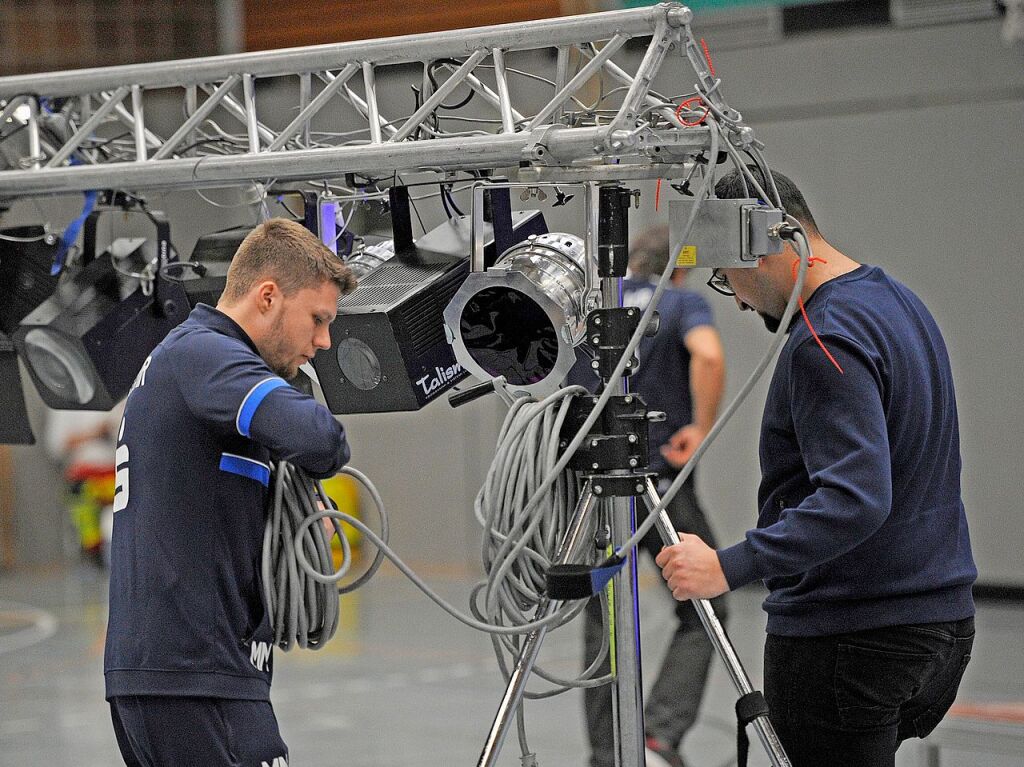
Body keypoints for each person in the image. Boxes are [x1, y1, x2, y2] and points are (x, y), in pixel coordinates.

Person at [655, 168, 977, 767]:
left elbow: (855, 498)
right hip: (939, 629)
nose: (742, 303)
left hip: (850, 642)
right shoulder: (898, 303)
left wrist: (727, 566)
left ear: (766, 243)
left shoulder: (823, 339)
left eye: (729, 280)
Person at [104, 218, 356, 767]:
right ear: (268, 296)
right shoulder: (206, 355)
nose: (323, 342)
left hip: (186, 673)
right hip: (194, 674)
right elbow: (319, 437)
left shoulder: (192, 362)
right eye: (317, 319)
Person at [570, 225, 728, 767]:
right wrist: (701, 427)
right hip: (660, 483)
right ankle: (659, 735)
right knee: (706, 609)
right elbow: (706, 355)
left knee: (604, 618)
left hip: (595, 487)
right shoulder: (680, 300)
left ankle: (606, 752)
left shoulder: (596, 309)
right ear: (678, 268)